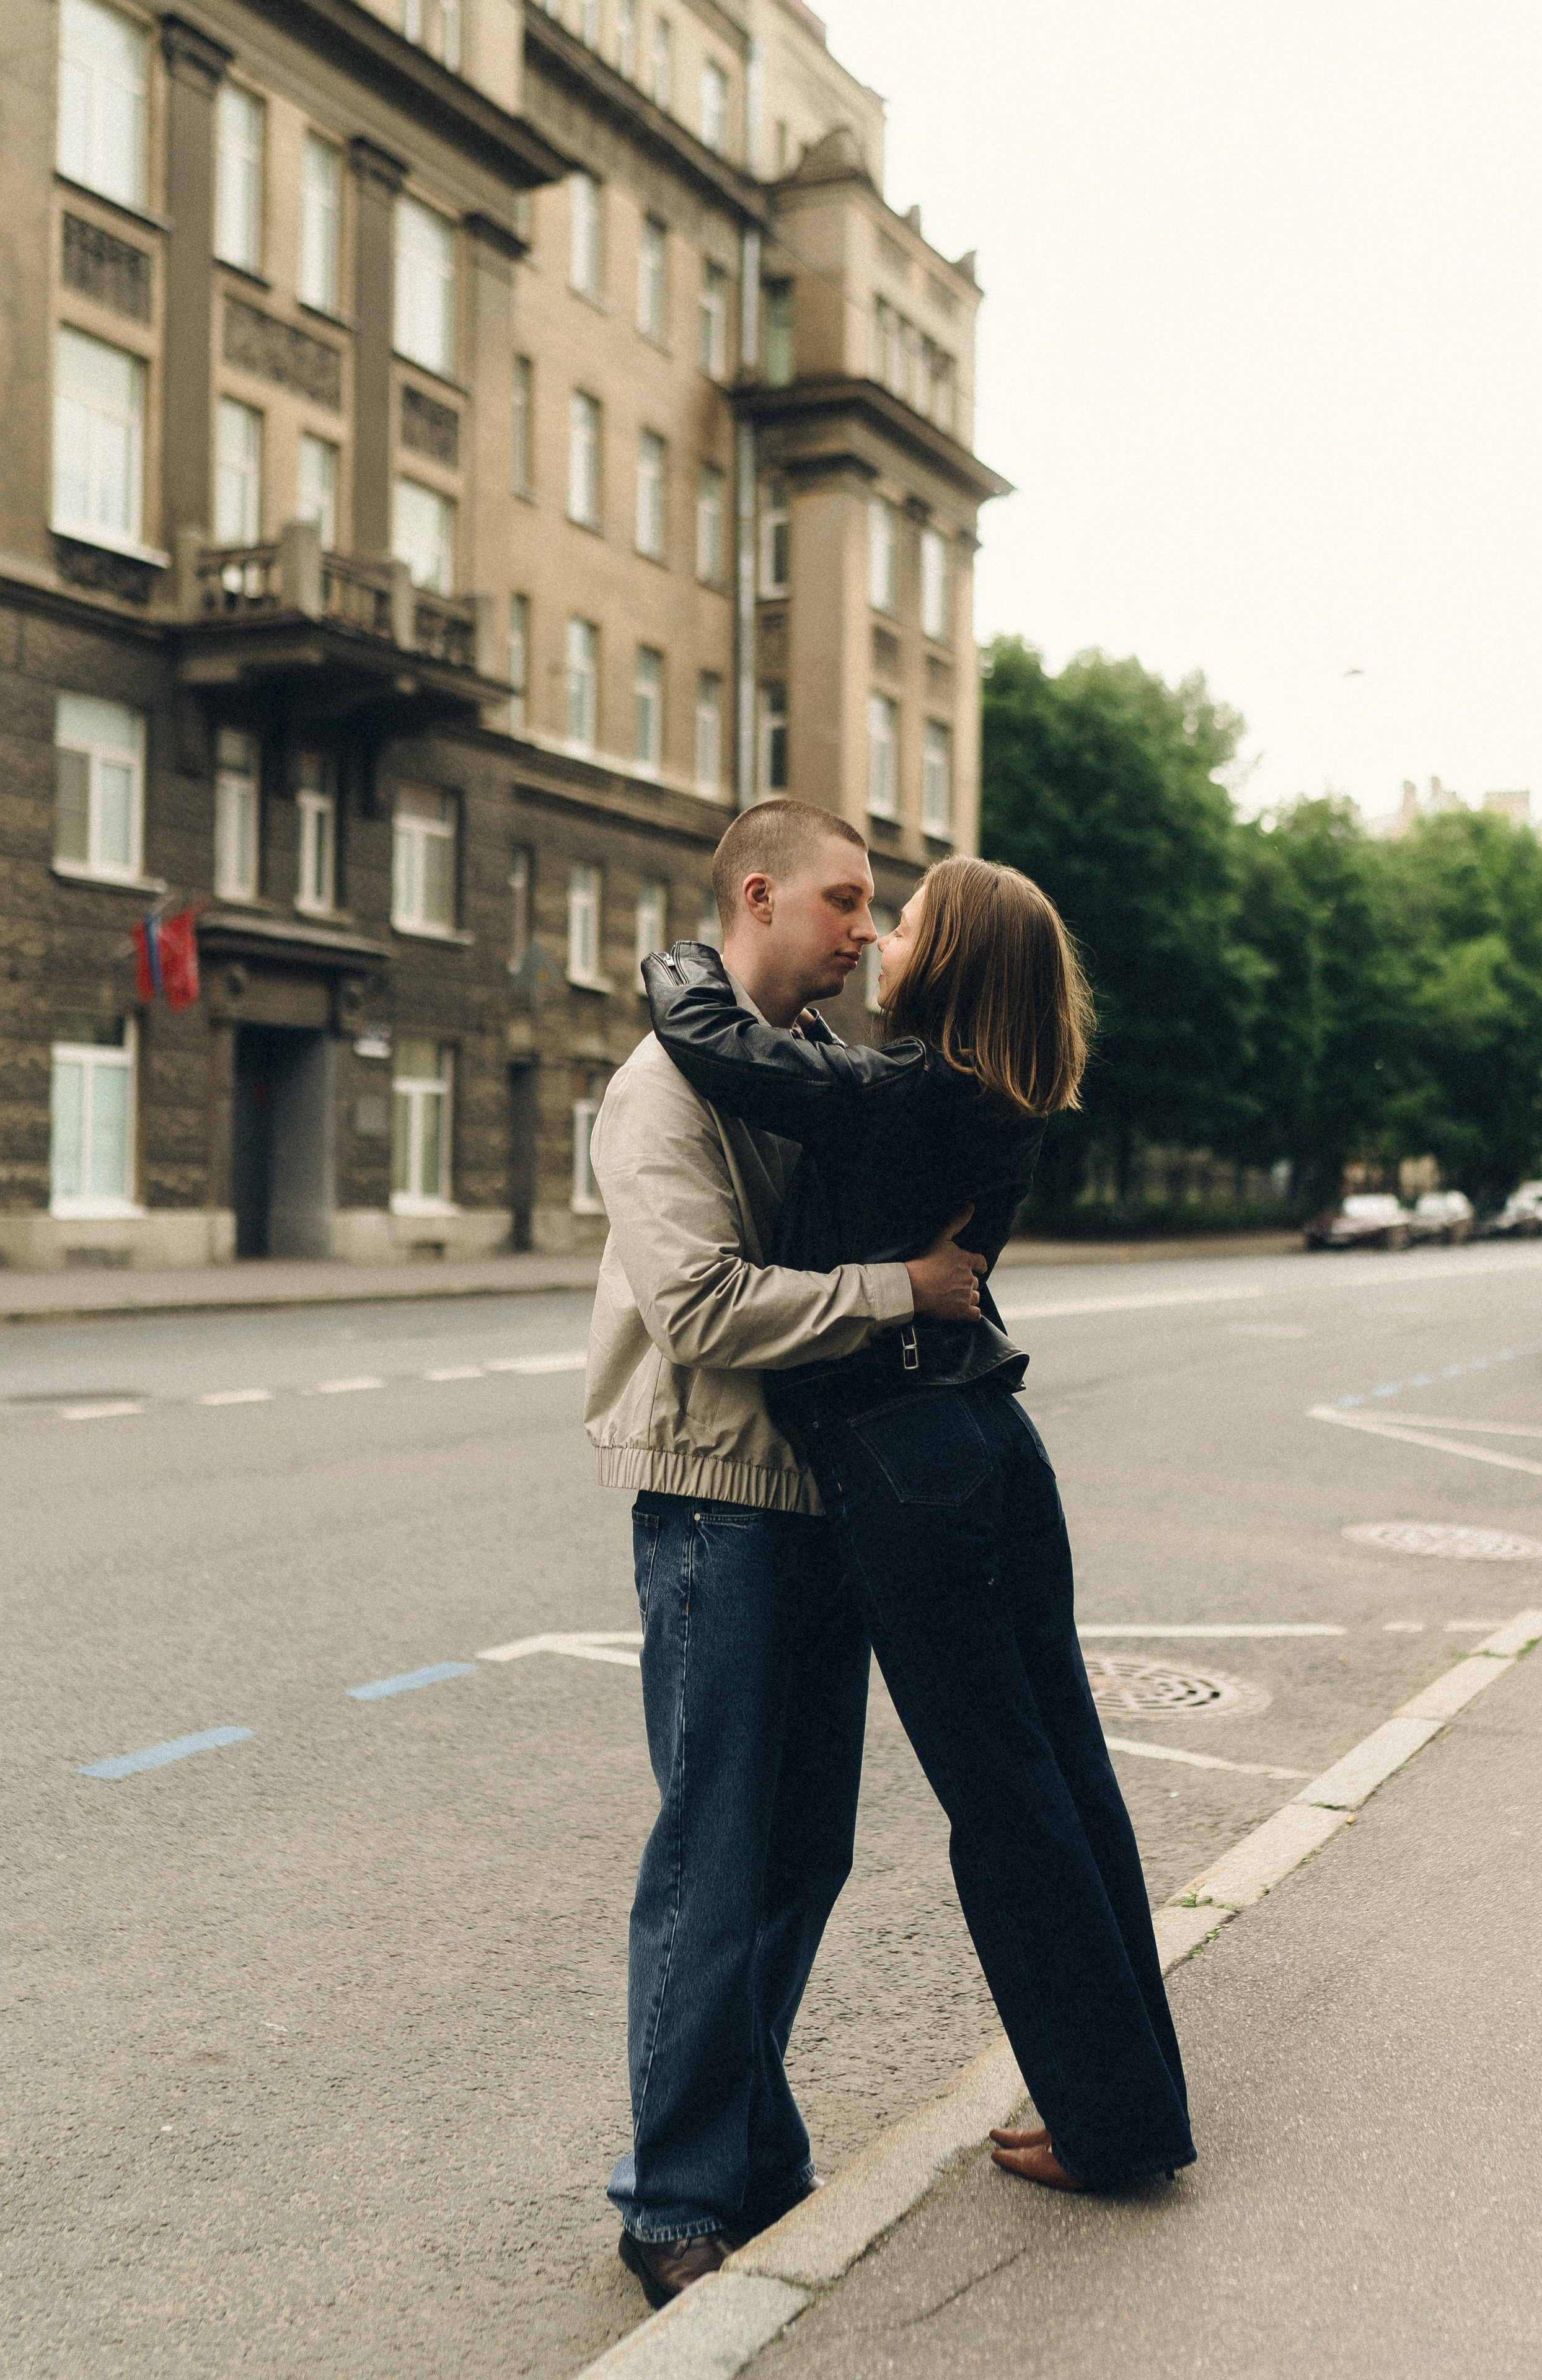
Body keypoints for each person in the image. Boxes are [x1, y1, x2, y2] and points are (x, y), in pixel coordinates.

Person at [643, 852, 1196, 2193]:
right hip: (987, 1449)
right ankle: (1129, 2106)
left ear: (952, 959)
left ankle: (1109, 2132)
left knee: (1001, 1805)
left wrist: (677, 960)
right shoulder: (986, 1094)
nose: (884, 933)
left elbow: (716, 1042)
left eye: (910, 919)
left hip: (906, 1463)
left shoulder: (905, 1093)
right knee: (1062, 1773)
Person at [584, 801, 988, 2306]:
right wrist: (902, 1288)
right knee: (715, 1852)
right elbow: (697, 1306)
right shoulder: (658, 1093)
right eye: (844, 901)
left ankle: (749, 2154)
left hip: (810, 1494)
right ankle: (670, 2196)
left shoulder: (802, 1078)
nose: (866, 932)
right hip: (713, 1502)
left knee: (799, 1852)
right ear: (758, 896)